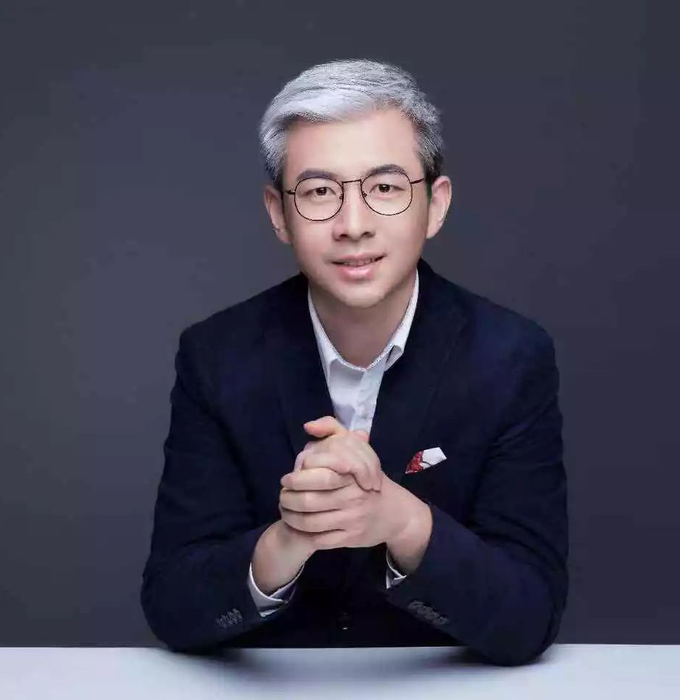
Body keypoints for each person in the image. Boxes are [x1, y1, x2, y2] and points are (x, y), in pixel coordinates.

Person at [140, 58, 568, 666]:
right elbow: (172, 606)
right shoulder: (218, 356)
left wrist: (402, 521)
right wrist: (289, 538)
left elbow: (531, 613)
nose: (353, 225)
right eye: (319, 192)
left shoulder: (509, 357)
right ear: (278, 213)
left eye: (385, 188)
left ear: (436, 204)